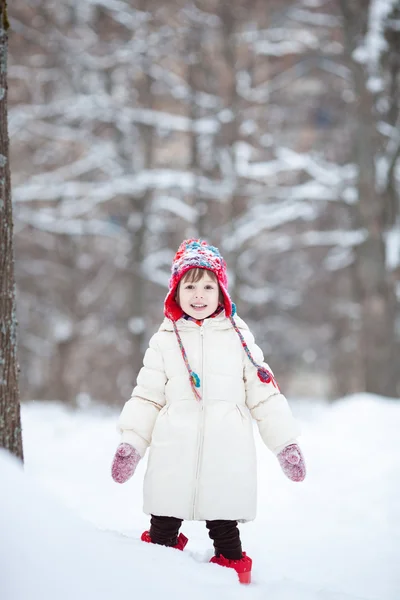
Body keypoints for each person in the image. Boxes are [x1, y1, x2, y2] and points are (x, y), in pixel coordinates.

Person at [111, 238, 306, 584]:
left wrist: (285, 444)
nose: (198, 295)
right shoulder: (165, 339)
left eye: (207, 286)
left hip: (226, 451)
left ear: (221, 292)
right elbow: (147, 397)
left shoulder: (239, 337)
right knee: (162, 528)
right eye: (190, 286)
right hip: (174, 450)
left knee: (226, 528)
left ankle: (234, 585)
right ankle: (156, 583)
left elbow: (264, 393)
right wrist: (132, 443)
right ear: (176, 291)